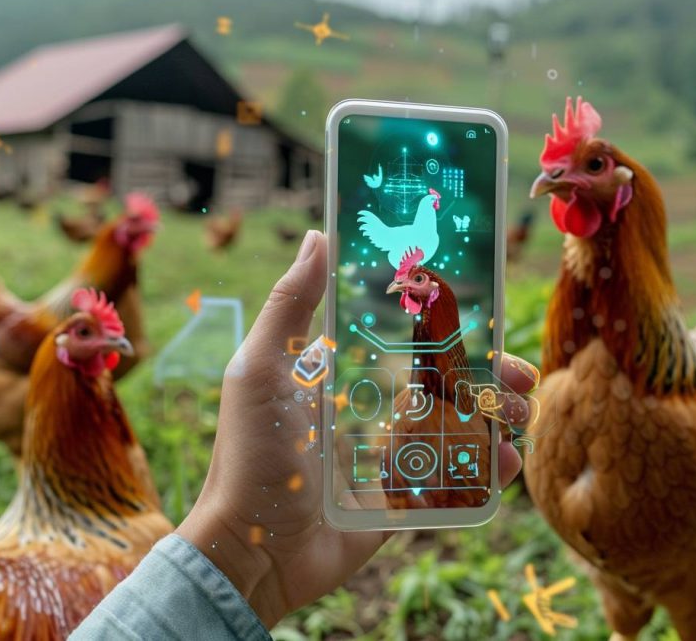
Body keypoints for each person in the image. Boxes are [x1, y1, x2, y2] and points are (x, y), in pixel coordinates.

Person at [72, 231, 539, 639]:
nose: (402, 283)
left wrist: (237, 555)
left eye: (416, 280)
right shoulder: (408, 408)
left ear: (436, 295)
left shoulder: (445, 406)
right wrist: (240, 548)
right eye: (406, 278)